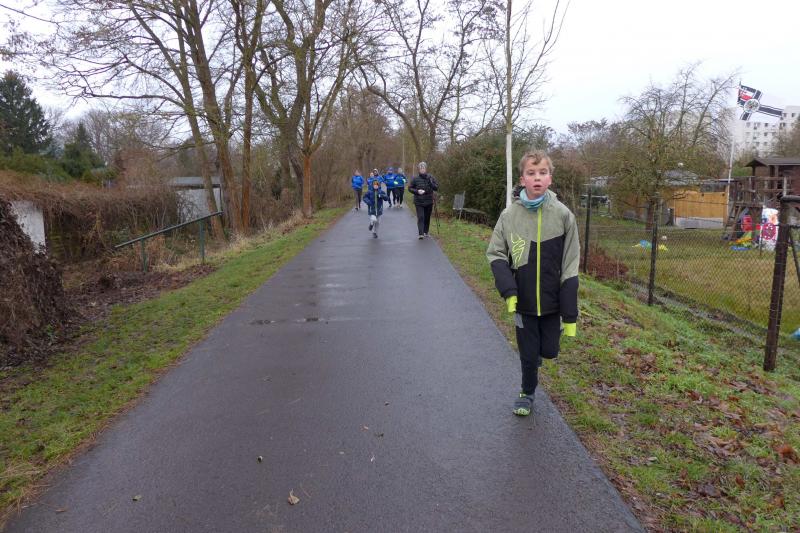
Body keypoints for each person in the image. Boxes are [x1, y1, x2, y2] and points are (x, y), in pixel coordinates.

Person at [486, 150, 580, 418]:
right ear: (522, 179)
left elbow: (571, 262)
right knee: (528, 356)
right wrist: (509, 290)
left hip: (553, 302)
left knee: (549, 350)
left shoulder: (563, 215)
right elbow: (496, 253)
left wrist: (569, 315)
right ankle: (527, 392)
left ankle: (541, 351)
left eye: (542, 173)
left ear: (550, 178)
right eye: (531, 173)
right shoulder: (509, 216)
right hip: (523, 301)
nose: (537, 178)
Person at [408, 161, 438, 239]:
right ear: (419, 169)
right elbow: (410, 188)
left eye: (423, 168)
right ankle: (421, 233)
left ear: (426, 169)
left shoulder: (431, 177)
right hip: (419, 201)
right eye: (421, 168)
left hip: (429, 200)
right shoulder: (415, 178)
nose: (422, 169)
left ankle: (425, 232)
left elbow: (436, 188)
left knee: (427, 217)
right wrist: (417, 191)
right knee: (421, 217)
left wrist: (431, 183)